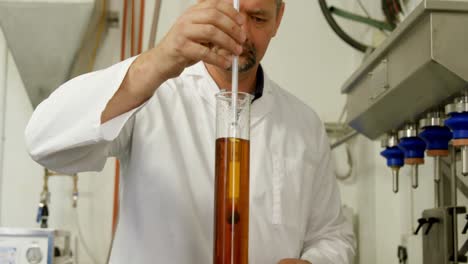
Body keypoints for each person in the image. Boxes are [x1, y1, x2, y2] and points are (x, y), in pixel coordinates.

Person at [25, 0, 356, 263]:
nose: (241, 35)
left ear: (279, 19)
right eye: (229, 14)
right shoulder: (153, 93)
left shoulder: (304, 125)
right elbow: (42, 141)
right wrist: (159, 60)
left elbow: (332, 235)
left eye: (258, 19)